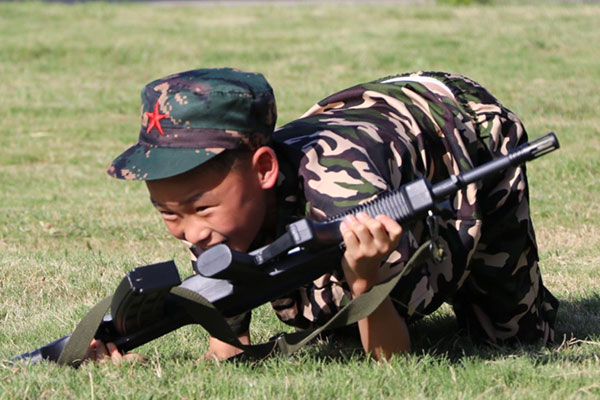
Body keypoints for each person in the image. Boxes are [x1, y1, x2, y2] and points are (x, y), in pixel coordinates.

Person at [90, 68, 558, 363]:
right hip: (366, 120)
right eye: (167, 212)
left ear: (264, 170)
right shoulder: (229, 210)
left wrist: (365, 281)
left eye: (200, 208)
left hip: (461, 126)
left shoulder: (348, 197)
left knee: (512, 338)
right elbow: (228, 344)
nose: (188, 230)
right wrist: (123, 341)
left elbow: (393, 365)